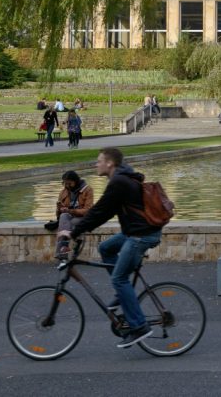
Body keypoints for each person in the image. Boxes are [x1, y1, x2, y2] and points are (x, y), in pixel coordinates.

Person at [69, 147, 162, 348]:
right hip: (135, 231)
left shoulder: (119, 181)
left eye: (99, 160)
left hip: (141, 235)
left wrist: (75, 232)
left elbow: (101, 211)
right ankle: (123, 295)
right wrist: (81, 228)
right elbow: (104, 211)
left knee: (119, 279)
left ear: (109, 163)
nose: (96, 164)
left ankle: (139, 326)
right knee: (106, 249)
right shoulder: (121, 179)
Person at [53, 170, 94, 257]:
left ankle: (61, 252)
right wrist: (60, 209)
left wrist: (70, 211)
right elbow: (59, 213)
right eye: (65, 183)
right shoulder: (64, 192)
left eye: (69, 183)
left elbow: (88, 210)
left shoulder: (87, 190)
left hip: (82, 217)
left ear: (76, 181)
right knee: (64, 216)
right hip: (68, 216)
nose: (67, 186)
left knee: (70, 222)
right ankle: (64, 250)